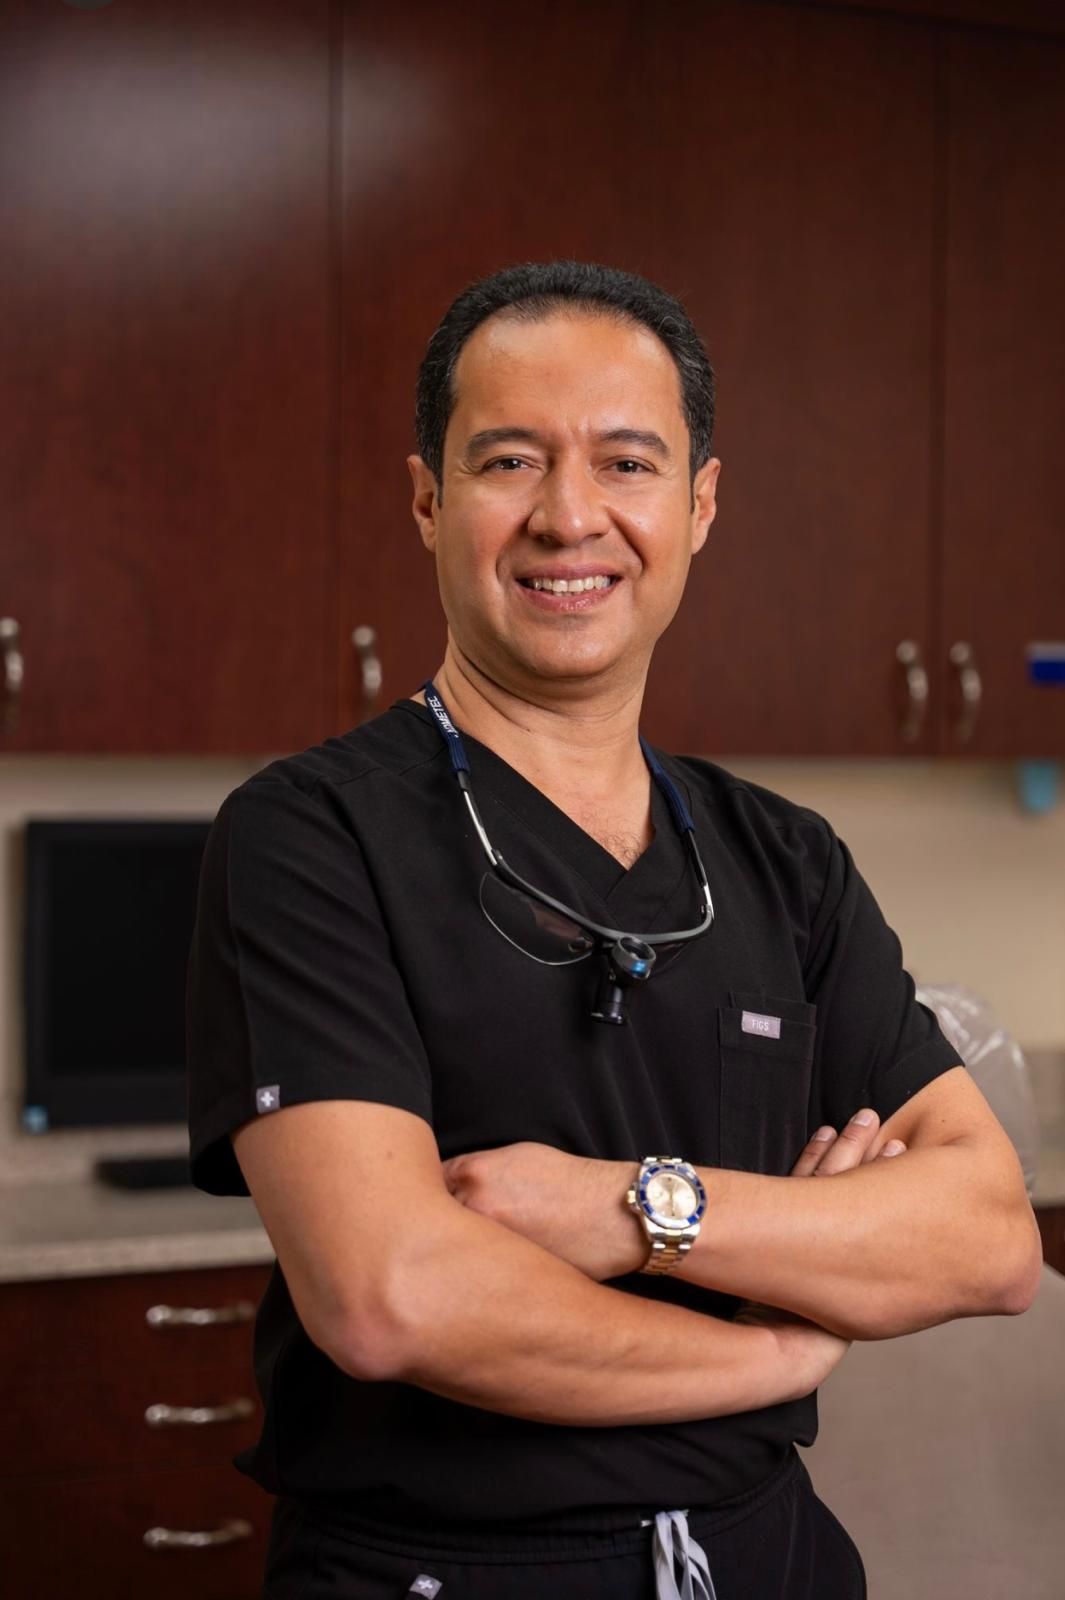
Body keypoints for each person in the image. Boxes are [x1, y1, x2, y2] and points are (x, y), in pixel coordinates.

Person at [186, 260, 1041, 1600]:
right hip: (446, 1572)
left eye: (626, 463)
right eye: (509, 462)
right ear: (427, 502)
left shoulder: (784, 860)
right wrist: (775, 1353)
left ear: (698, 506)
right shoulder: (310, 837)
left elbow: (987, 1240)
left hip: (770, 1558)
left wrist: (636, 1208)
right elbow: (388, 1295)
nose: (567, 515)